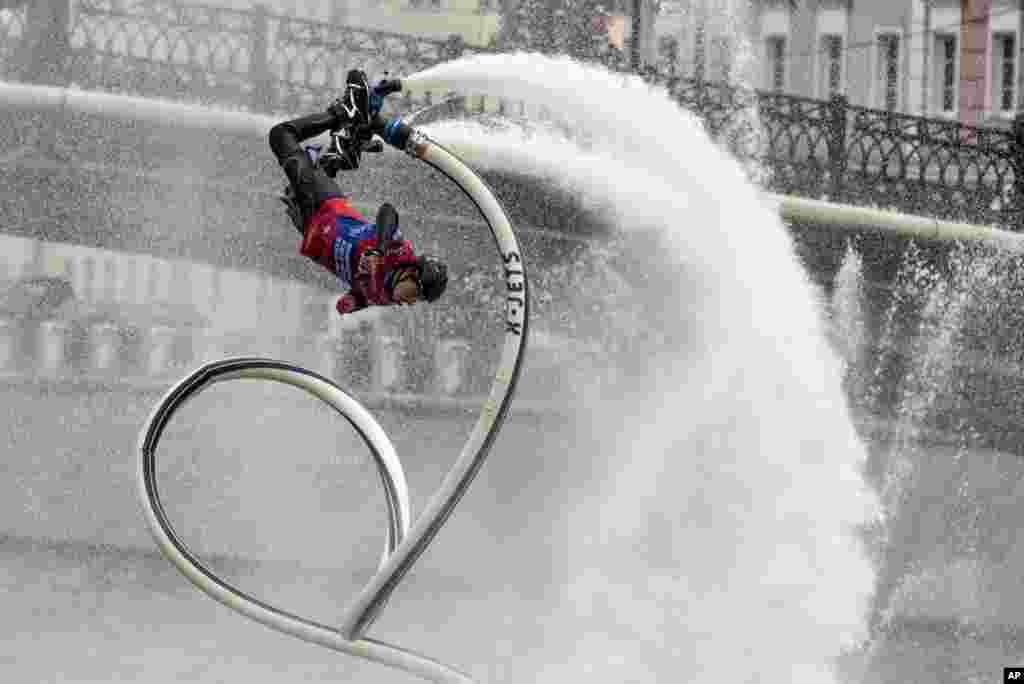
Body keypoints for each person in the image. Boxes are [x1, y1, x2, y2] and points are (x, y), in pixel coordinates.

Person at [268, 69, 448, 316]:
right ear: (412, 274)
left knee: (299, 177)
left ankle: (347, 146)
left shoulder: (386, 298)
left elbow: (364, 293)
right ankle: (342, 115)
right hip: (325, 209)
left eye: (416, 301)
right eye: (415, 294)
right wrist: (380, 250)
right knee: (280, 135)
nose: (409, 302)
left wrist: (352, 303)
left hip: (311, 232)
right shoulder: (398, 254)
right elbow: (388, 212)